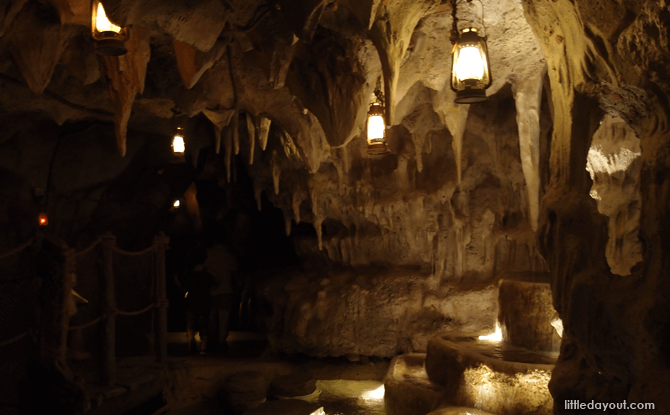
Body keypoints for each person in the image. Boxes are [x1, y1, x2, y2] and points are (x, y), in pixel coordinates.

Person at [205, 242, 237, 353]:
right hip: (226, 289)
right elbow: (234, 272)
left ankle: (211, 339)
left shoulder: (208, 253)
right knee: (224, 316)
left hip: (211, 290)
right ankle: (222, 341)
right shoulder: (229, 254)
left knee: (211, 316)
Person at [181, 246, 214, 355]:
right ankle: (203, 346)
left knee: (191, 322)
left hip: (191, 301)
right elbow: (213, 285)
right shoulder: (207, 275)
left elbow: (185, 288)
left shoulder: (189, 275)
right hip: (204, 301)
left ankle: (191, 340)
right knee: (204, 323)